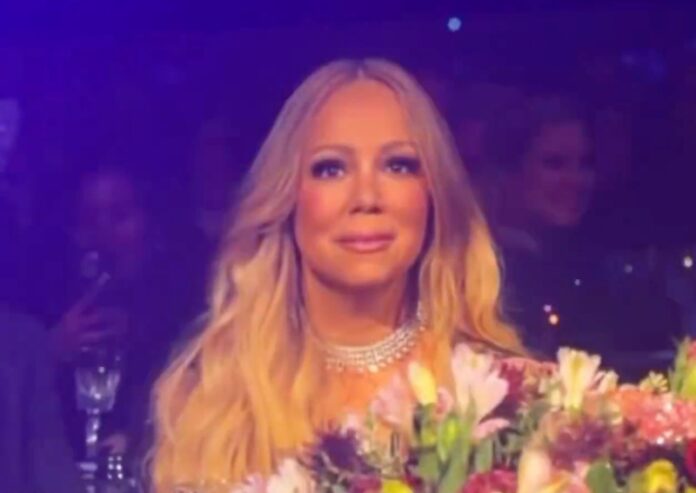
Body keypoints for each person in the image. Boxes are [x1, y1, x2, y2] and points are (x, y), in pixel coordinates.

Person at [150, 58, 522, 490]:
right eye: (331, 168)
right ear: (287, 196)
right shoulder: (214, 402)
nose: (366, 197)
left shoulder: (500, 393)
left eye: (398, 165)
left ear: (434, 194)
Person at [481, 95, 681, 369]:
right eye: (554, 163)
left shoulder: (588, 264)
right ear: (508, 170)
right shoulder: (484, 272)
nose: (575, 180)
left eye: (585, 164)